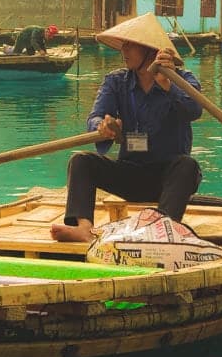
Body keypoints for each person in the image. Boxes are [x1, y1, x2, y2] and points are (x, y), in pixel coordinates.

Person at [50, 13, 203, 242]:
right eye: (123, 45)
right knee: (80, 161)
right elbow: (95, 117)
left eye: (130, 46)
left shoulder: (183, 79)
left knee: (188, 166)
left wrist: (168, 85)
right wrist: (102, 126)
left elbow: (195, 110)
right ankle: (84, 228)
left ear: (149, 49)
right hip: (129, 170)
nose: (124, 51)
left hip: (167, 178)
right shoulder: (116, 81)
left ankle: (162, 229)